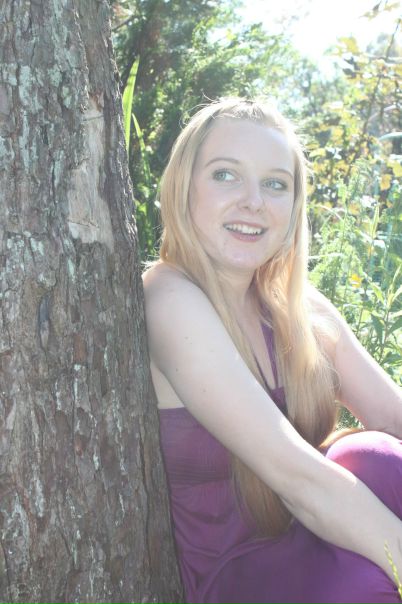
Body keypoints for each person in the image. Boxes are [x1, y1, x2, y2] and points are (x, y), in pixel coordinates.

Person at [142, 97, 402, 603]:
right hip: (238, 576)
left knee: (373, 458)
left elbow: (394, 418)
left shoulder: (299, 308)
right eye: (225, 175)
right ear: (183, 187)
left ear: (294, 206)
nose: (253, 202)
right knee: (364, 588)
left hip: (318, 539)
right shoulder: (169, 298)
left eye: (275, 184)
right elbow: (295, 478)